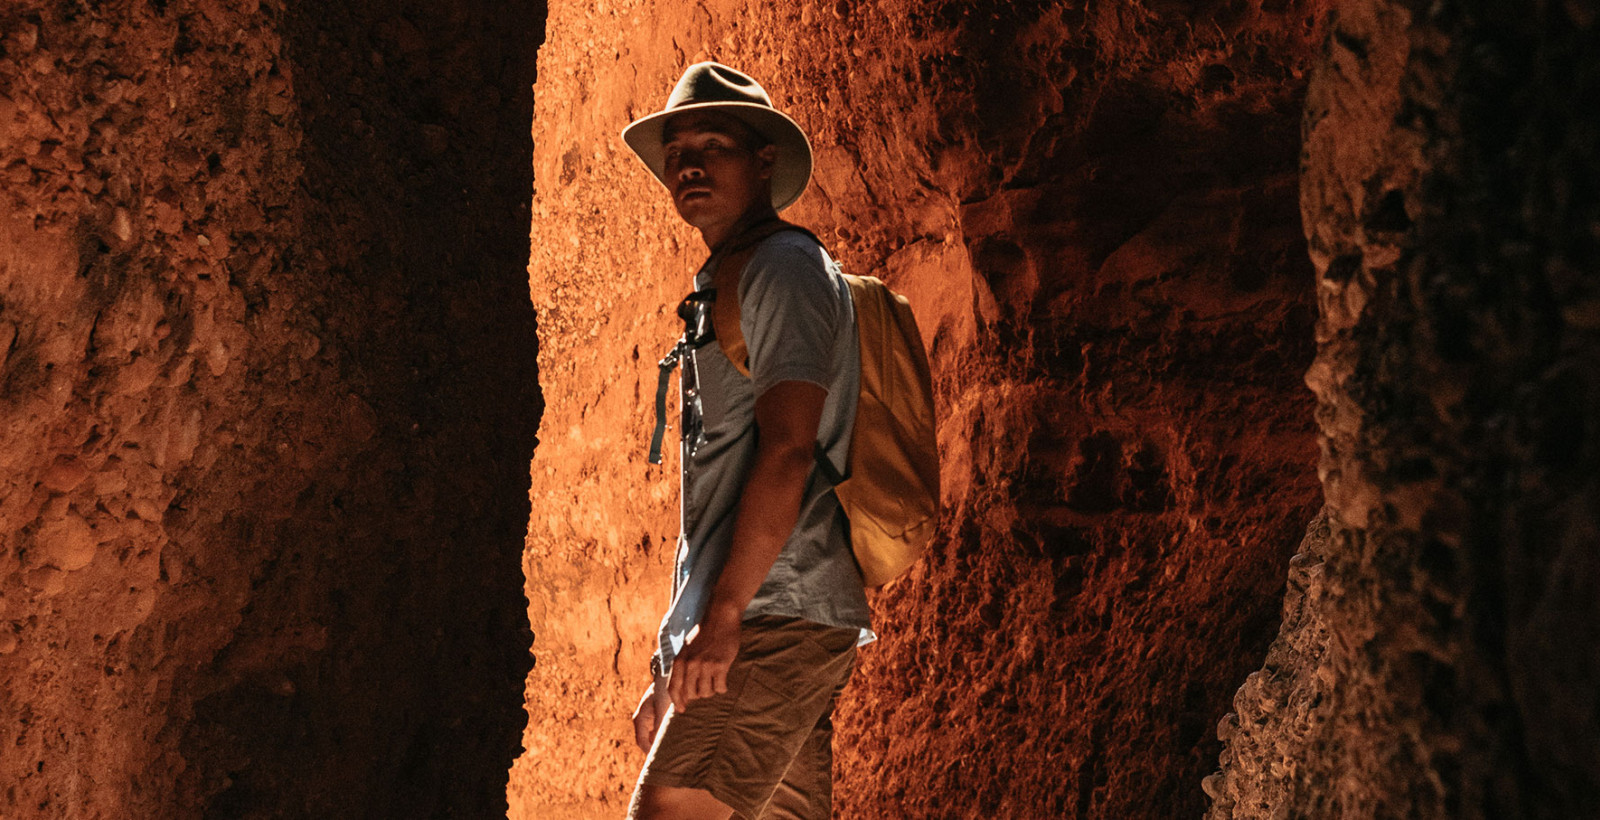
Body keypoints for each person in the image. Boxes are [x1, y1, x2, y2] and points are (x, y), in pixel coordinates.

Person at [619, 62, 873, 820]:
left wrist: (724, 618)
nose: (688, 163)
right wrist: (679, 645)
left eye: (713, 142)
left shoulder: (784, 270)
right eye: (676, 150)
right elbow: (724, 478)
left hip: (774, 610)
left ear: (764, 161)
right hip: (774, 612)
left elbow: (790, 449)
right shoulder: (727, 276)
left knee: (669, 814)